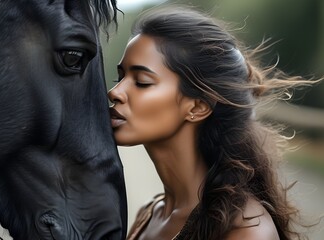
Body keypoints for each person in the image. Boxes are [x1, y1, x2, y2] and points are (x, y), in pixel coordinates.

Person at [108, 5, 319, 240]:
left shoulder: (245, 231)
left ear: (198, 107)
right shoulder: (148, 214)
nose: (115, 91)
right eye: (121, 77)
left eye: (142, 81)